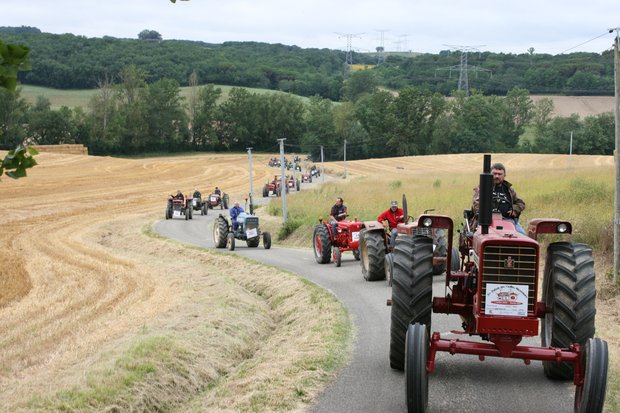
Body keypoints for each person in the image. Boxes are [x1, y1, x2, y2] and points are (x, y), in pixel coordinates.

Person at [472, 162, 526, 235]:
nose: (497, 176)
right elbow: (476, 204)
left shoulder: (509, 190)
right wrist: (487, 214)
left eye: (500, 174)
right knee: (479, 236)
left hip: (508, 222)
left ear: (504, 176)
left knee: (523, 236)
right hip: (486, 222)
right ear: (490, 174)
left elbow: (520, 203)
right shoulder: (482, 188)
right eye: (494, 174)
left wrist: (515, 209)